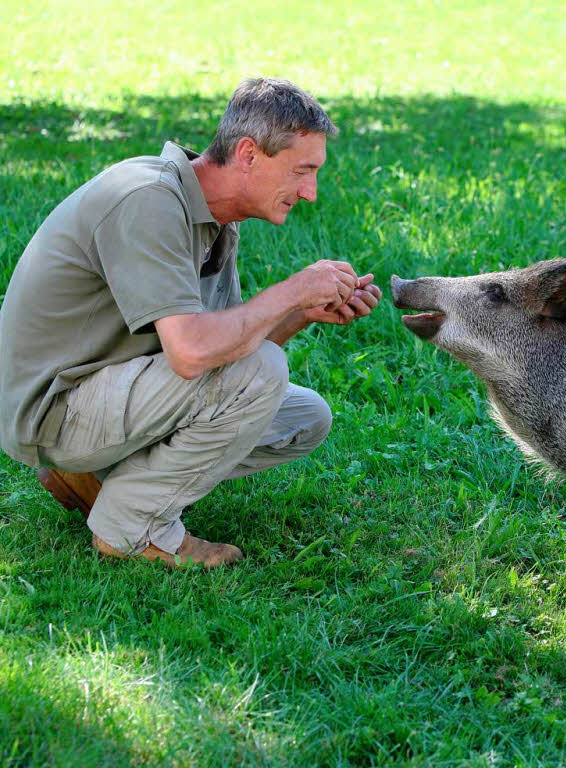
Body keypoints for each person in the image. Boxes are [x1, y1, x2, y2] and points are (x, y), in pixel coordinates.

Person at [0, 77, 382, 568]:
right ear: (248, 154)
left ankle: (98, 478)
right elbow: (193, 354)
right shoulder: (148, 201)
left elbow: (227, 347)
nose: (309, 192)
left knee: (303, 419)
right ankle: (132, 528)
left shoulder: (214, 217)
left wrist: (300, 313)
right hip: (50, 410)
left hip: (101, 390)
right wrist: (288, 290)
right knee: (263, 372)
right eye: (301, 171)